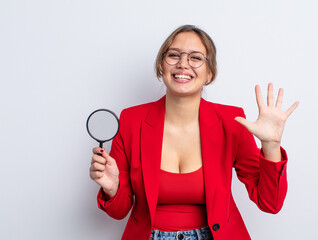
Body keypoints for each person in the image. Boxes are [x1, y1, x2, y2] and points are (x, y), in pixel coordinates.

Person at [89, 25, 298, 240]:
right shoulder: (131, 120)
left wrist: (271, 146)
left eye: (196, 58)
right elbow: (119, 211)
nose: (183, 64)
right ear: (161, 66)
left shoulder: (232, 121)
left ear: (209, 73)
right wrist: (113, 189)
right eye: (173, 55)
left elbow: (270, 203)